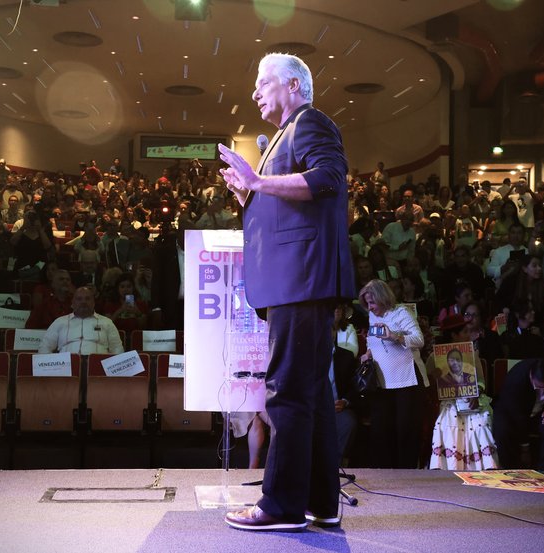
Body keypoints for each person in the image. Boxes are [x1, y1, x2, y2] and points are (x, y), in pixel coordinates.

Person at [217, 53, 355, 531]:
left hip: (302, 279)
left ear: (293, 85)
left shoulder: (309, 122)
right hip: (299, 281)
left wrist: (257, 180)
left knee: (287, 393)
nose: (254, 92)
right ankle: (321, 502)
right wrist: (248, 195)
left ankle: (279, 506)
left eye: (262, 83)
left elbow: (327, 179)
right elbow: (289, 205)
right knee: (311, 394)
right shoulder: (283, 133)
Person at [358, 279, 427, 469]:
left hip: (407, 380)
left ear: (383, 298)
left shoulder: (401, 313)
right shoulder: (373, 315)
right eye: (367, 303)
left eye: (372, 302)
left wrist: (395, 336)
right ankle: (387, 474)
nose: (370, 307)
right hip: (382, 381)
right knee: (381, 430)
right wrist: (368, 354)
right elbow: (374, 341)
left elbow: (419, 340)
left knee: (405, 431)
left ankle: (407, 474)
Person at [428, 314, 498, 471]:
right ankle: (451, 465)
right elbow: (430, 384)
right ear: (454, 335)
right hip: (449, 401)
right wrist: (435, 378)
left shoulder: (472, 354)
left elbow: (480, 381)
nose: (469, 336)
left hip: (470, 398)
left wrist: (476, 392)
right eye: (465, 332)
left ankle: (485, 465)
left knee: (480, 421)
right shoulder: (435, 357)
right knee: (447, 422)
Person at [492, 358, 544, 470]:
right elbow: (516, 415)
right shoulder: (515, 380)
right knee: (502, 430)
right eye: (539, 387)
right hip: (512, 412)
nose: (543, 391)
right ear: (531, 377)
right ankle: (511, 469)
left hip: (541, 412)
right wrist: (525, 447)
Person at [38, 287, 124, 355]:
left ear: (94, 302)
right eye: (79, 299)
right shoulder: (60, 322)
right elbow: (45, 347)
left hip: (96, 369)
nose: (83, 302)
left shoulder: (107, 322)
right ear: (72, 303)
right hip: (67, 370)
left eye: (87, 299)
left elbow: (117, 349)